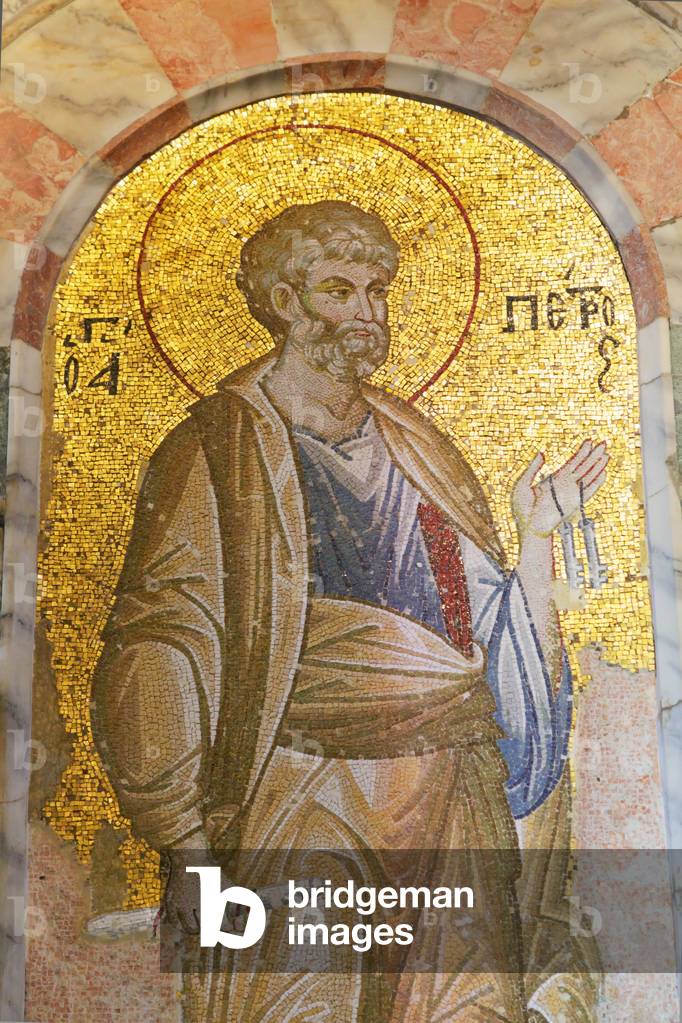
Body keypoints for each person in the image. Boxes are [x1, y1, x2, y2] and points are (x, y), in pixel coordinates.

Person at [91, 200, 607, 1021]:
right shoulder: (217, 448)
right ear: (284, 302)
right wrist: (184, 841)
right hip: (305, 788)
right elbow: (164, 641)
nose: (367, 312)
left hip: (448, 784)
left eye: (378, 289)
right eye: (340, 289)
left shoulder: (417, 442)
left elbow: (478, 626)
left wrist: (537, 534)